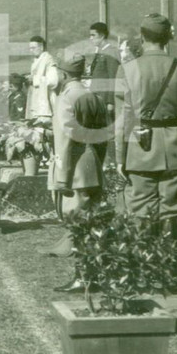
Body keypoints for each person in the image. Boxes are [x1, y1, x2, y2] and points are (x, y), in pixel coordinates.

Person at [114, 13, 177, 239]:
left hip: (140, 148)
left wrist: (120, 158)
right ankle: (170, 269)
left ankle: (146, 268)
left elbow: (123, 120)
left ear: (142, 37)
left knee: (140, 212)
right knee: (170, 214)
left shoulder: (128, 69)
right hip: (176, 149)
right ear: (167, 38)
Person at [44, 55, 109, 284]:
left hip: (73, 168)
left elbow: (65, 139)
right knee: (91, 221)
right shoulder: (92, 96)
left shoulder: (67, 97)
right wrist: (97, 162)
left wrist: (62, 176)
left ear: (63, 74)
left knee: (78, 222)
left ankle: (83, 277)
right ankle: (92, 273)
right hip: (91, 162)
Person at [86, 22, 121, 164]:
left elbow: (113, 78)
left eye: (93, 35)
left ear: (102, 35)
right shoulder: (100, 52)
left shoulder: (111, 52)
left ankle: (109, 165)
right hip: (97, 99)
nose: (91, 38)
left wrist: (110, 102)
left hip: (105, 101)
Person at [25, 36, 58, 122]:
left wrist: (34, 79)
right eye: (30, 48)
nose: (31, 50)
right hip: (35, 96)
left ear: (41, 47)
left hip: (45, 97)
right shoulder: (36, 60)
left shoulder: (48, 60)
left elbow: (53, 81)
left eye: (33, 48)